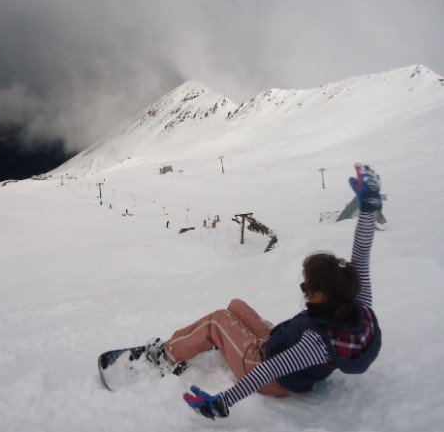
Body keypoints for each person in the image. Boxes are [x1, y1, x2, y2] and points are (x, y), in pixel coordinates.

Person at [146, 163, 383, 420]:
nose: (304, 290)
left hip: (262, 368)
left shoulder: (316, 344)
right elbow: (362, 251)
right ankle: (222, 343)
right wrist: (368, 206)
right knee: (236, 305)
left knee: (217, 320)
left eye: (309, 286)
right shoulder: (357, 300)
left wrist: (222, 402)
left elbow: (267, 371)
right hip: (279, 344)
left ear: (324, 294)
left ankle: (165, 355)